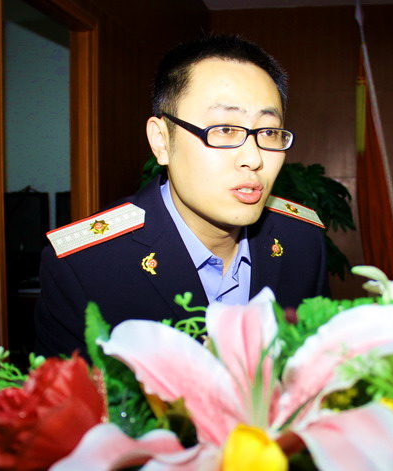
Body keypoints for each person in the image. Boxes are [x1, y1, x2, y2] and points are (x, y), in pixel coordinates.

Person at [35, 35, 329, 358]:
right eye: (224, 129)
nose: (253, 158)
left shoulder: (303, 241)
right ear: (161, 141)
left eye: (269, 132)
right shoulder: (85, 268)